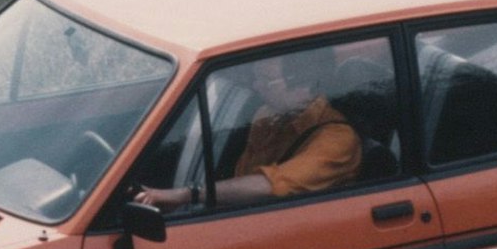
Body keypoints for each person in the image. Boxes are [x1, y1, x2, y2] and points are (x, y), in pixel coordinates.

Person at [135, 47, 362, 212]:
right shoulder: (267, 113)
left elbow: (269, 186)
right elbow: (244, 176)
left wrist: (186, 195)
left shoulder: (338, 140)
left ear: (304, 84)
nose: (256, 86)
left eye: (266, 79)